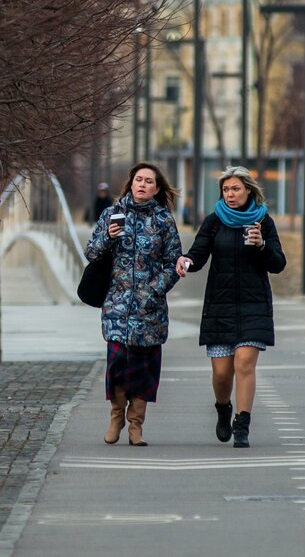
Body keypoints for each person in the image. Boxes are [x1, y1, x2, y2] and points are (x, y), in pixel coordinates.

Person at [175, 166, 286, 448]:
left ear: (248, 190)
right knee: (222, 374)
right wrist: (185, 261)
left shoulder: (264, 222)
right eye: (226, 189)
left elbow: (278, 264)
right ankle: (223, 409)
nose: (230, 194)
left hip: (253, 305)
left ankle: (242, 424)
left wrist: (262, 246)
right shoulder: (214, 221)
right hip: (220, 306)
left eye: (235, 188)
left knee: (245, 364)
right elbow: (198, 254)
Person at [87, 163, 182, 446]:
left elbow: (172, 263)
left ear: (156, 188)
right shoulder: (111, 214)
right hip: (116, 304)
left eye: (148, 181)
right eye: (138, 179)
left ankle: (136, 426)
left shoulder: (164, 220)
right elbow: (92, 252)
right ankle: (116, 417)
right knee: (117, 365)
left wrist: (154, 291)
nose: (142, 184)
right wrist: (109, 236)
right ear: (131, 184)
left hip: (149, 309)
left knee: (143, 369)